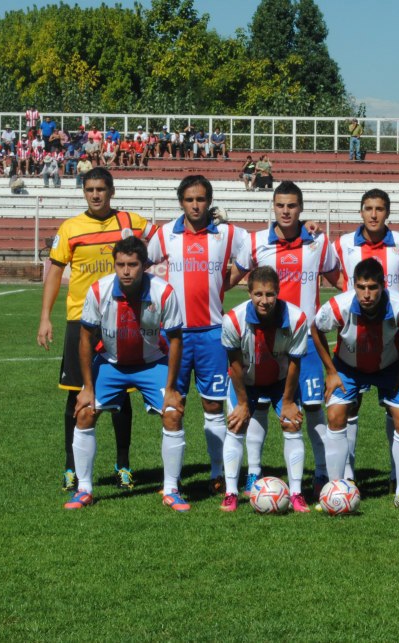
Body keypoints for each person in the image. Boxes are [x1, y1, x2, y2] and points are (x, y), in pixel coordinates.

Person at [37, 167, 158, 492]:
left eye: (101, 189)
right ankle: (71, 468)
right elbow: (54, 272)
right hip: (82, 321)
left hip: (122, 320)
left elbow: (164, 237)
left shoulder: (129, 222)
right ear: (84, 192)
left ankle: (123, 464)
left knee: (121, 395)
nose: (95, 195)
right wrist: (45, 317)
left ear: (111, 191)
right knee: (76, 395)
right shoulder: (71, 228)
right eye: (89, 189)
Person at [229, 181, 342, 496]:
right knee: (260, 407)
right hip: (263, 342)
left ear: (300, 207)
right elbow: (229, 280)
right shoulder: (255, 243)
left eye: (292, 206)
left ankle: (321, 475)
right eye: (280, 205)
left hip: (304, 343)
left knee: (314, 407)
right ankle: (253, 473)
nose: (286, 211)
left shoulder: (318, 242)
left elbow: (340, 280)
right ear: (273, 207)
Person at [64, 235, 188, 511]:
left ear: (144, 265)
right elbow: (85, 338)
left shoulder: (164, 292)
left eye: (132, 264)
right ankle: (84, 489)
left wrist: (171, 388)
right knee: (84, 411)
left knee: (173, 413)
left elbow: (177, 340)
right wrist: (87, 387)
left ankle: (171, 489)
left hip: (152, 363)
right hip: (110, 363)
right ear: (114, 265)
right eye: (120, 264)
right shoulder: (99, 291)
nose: (126, 270)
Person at [147, 175, 248, 495]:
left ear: (210, 201)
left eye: (201, 199)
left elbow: (250, 256)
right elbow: (140, 264)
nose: (195, 205)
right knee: (172, 406)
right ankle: (171, 481)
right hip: (173, 335)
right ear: (181, 201)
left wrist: (224, 283)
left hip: (211, 334)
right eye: (190, 199)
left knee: (213, 405)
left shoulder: (228, 233)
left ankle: (217, 472)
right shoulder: (164, 235)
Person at [312, 258, 399, 510]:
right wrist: (331, 372)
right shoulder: (339, 306)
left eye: (372, 287)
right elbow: (316, 329)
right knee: (336, 415)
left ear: (383, 285)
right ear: (354, 286)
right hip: (348, 368)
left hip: (390, 367)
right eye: (361, 287)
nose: (367, 294)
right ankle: (335, 489)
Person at [334, 188, 399, 487]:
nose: (373, 214)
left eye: (379, 208)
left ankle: (397, 474)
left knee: (395, 407)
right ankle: (346, 475)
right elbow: (329, 269)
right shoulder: (343, 243)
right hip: (354, 337)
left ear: (388, 212)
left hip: (390, 339)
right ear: (361, 211)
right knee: (350, 407)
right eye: (368, 208)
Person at [220, 267, 309, 512]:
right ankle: (230, 493)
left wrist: (289, 401)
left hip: (281, 381)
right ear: (249, 292)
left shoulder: (297, 318)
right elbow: (235, 365)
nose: (264, 300)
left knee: (292, 425)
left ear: (278, 293)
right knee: (236, 425)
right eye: (258, 294)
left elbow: (295, 363)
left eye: (270, 294)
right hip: (245, 381)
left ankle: (297, 494)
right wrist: (242, 403)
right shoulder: (233, 320)